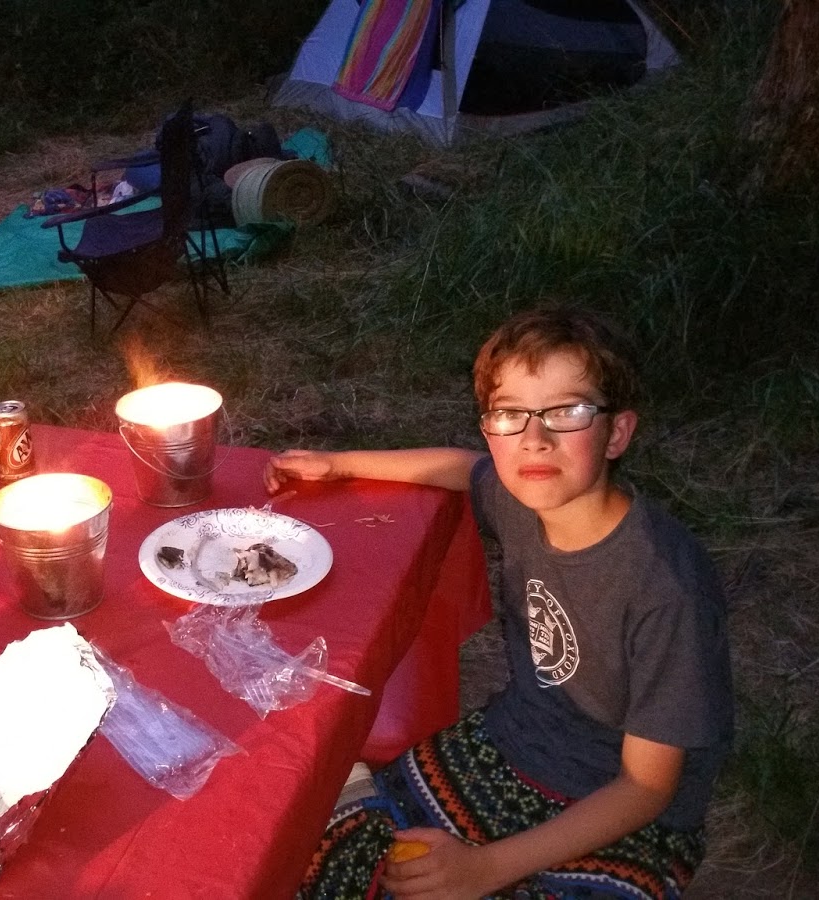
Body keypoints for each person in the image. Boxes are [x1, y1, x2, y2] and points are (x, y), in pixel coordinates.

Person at [268, 308, 733, 899]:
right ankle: (363, 803)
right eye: (511, 414)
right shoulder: (521, 497)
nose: (534, 439)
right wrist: (337, 465)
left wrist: (486, 869)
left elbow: (646, 788)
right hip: (515, 743)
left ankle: (366, 803)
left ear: (617, 432)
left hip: (628, 812)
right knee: (317, 863)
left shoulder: (665, 587)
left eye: (567, 411)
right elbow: (462, 468)